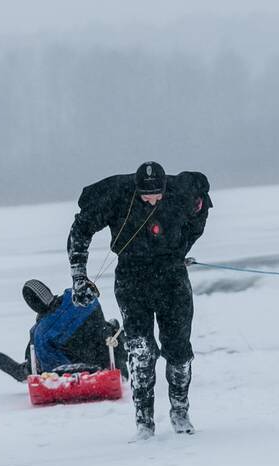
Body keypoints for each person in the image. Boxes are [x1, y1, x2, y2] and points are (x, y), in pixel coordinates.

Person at [66, 161, 212, 439]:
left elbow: (200, 208)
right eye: (145, 194)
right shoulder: (117, 196)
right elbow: (80, 229)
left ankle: (180, 410)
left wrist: (182, 248)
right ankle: (144, 421)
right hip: (133, 278)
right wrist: (79, 276)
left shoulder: (181, 193)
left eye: (156, 193)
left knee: (179, 350)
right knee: (141, 351)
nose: (151, 199)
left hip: (172, 277)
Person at [0, 279, 127, 381]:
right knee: (109, 328)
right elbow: (96, 312)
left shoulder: (40, 332)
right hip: (103, 354)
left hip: (77, 368)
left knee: (36, 349)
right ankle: (119, 345)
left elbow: (50, 366)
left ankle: (26, 369)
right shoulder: (74, 296)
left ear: (33, 306)